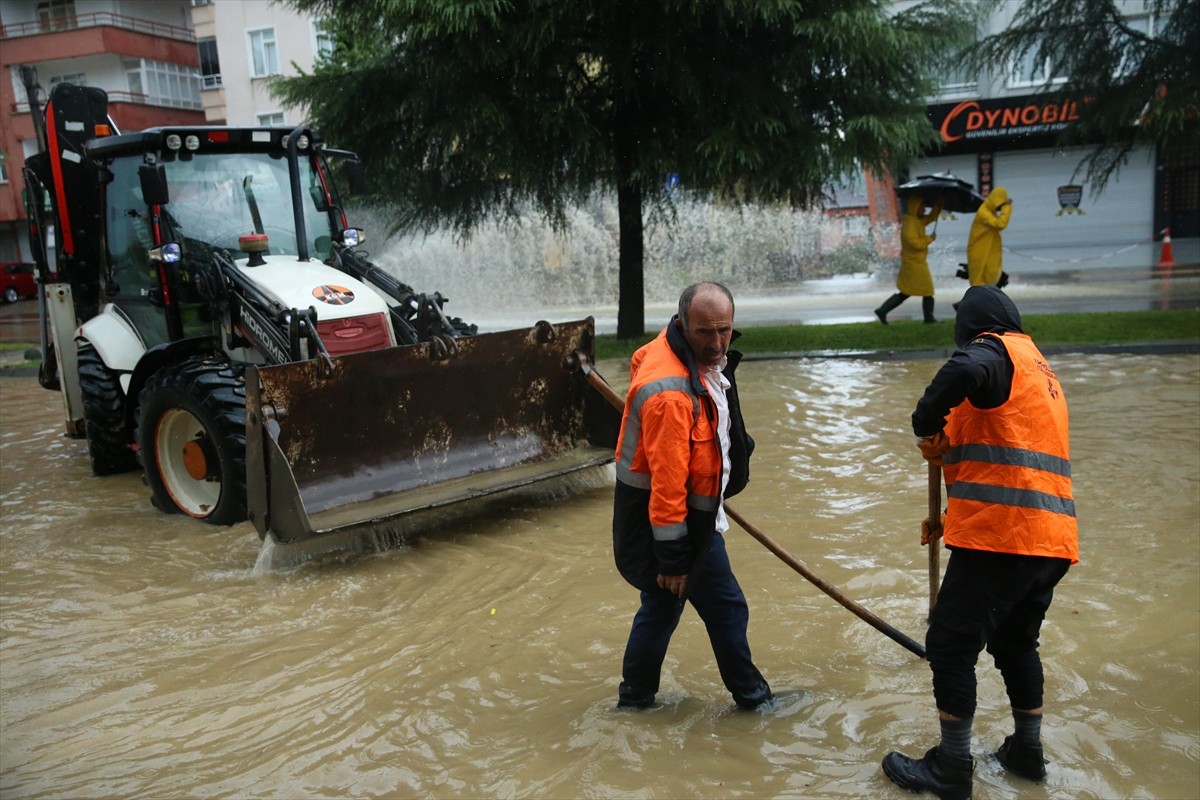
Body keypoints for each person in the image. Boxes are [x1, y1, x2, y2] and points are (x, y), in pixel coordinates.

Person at [881, 285, 1079, 800]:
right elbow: (1008, 457)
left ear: (973, 329)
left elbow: (965, 370)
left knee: (948, 646)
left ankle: (950, 769)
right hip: (1049, 542)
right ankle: (1027, 753)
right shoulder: (1039, 370)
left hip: (1003, 540)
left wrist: (924, 422)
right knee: (1015, 644)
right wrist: (950, 516)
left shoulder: (991, 351)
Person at [612, 281, 774, 711]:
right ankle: (755, 701)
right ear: (683, 324)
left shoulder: (670, 352)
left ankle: (634, 700)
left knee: (662, 609)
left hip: (678, 521)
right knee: (727, 609)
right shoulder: (670, 396)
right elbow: (667, 485)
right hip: (675, 527)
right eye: (705, 332)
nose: (717, 343)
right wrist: (673, 558)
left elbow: (639, 359)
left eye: (725, 330)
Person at [876, 196, 943, 325]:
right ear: (915, 207)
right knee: (926, 289)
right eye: (922, 207)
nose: (924, 210)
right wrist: (929, 239)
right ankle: (929, 319)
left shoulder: (916, 221)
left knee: (908, 292)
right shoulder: (909, 224)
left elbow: (930, 218)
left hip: (916, 262)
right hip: (913, 264)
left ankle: (883, 310)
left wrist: (938, 206)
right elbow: (915, 244)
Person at [966, 187, 1013, 287]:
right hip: (979, 252)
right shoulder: (984, 213)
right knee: (978, 283)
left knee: (990, 280)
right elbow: (1000, 224)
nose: (1000, 208)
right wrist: (1007, 207)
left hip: (987, 251)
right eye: (1000, 204)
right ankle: (975, 302)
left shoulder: (990, 211)